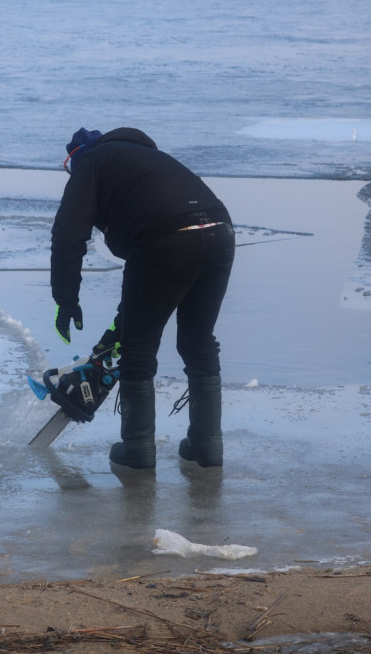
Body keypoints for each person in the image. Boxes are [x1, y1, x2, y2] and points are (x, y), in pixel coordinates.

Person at [51, 127, 235, 470]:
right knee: (198, 342)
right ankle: (207, 445)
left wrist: (66, 298)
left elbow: (68, 233)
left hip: (163, 238)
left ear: (75, 156)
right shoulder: (147, 159)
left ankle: (137, 448)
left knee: (137, 347)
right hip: (219, 232)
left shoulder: (89, 160)